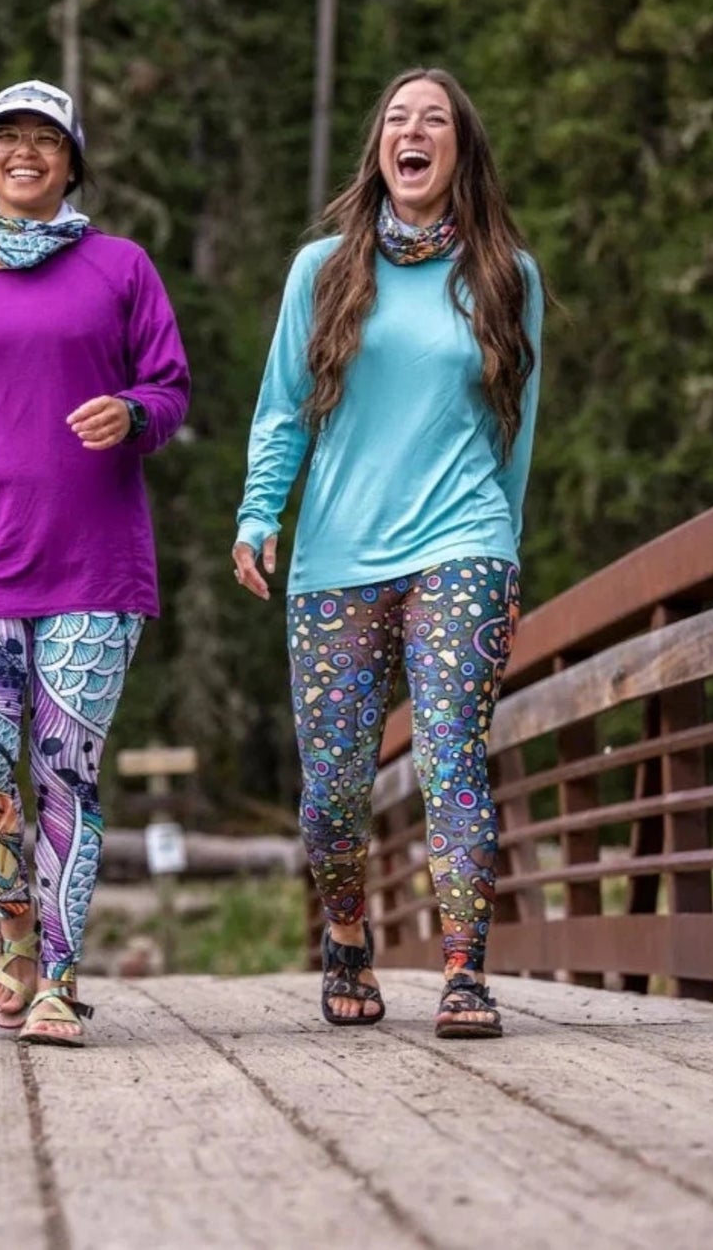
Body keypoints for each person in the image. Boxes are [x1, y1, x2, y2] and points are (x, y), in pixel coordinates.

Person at [0, 80, 190, 1047]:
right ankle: (14, 924)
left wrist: (132, 412)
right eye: (6, 137)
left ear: (71, 162)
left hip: (95, 568)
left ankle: (58, 975)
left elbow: (170, 388)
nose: (24, 153)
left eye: (45, 139)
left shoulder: (121, 268)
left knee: (65, 774)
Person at [233, 66, 543, 1039]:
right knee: (332, 791)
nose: (412, 130)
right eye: (397, 118)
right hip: (337, 556)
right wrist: (258, 513)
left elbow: (516, 431)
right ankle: (344, 937)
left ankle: (463, 972)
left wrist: (506, 550)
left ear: (458, 148)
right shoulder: (322, 269)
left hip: (463, 542)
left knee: (451, 756)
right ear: (379, 148)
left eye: (433, 118)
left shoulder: (505, 274)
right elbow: (283, 407)